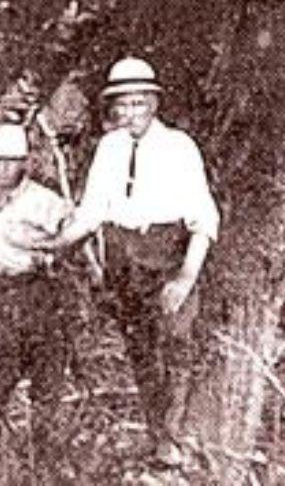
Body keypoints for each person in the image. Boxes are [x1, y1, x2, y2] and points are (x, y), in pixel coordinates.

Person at [39, 57, 220, 466]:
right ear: (113, 108)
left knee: (175, 342)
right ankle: (159, 434)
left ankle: (172, 439)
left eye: (140, 103)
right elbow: (91, 212)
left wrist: (185, 277)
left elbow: (204, 219)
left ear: (154, 104)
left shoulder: (179, 147)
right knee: (141, 350)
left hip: (168, 252)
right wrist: (55, 243)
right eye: (123, 104)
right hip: (125, 259)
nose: (131, 112)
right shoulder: (110, 147)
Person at [0, 121, 75, 477]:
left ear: (24, 162)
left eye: (12, 161)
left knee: (46, 400)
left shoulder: (42, 201)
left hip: (37, 294)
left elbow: (75, 227)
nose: (4, 168)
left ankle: (47, 476)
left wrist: (51, 253)